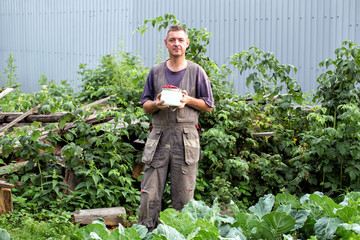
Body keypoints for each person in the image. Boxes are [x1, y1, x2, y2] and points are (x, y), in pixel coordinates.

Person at [138, 24, 214, 231]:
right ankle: (146, 233)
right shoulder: (155, 72)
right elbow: (145, 105)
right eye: (172, 40)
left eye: (180, 40)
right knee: (149, 193)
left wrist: (187, 99)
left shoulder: (197, 71)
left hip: (185, 139)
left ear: (187, 43)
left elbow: (208, 105)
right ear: (166, 43)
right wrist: (157, 103)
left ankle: (179, 234)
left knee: (183, 195)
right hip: (159, 137)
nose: (176, 44)